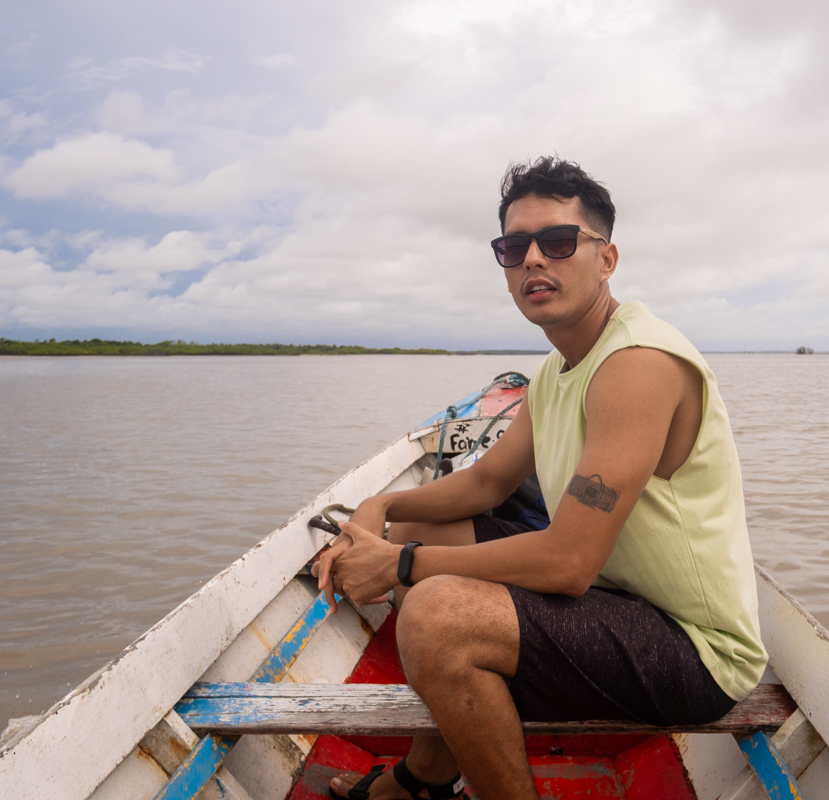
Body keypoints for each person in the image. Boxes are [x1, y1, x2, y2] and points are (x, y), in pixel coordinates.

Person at [315, 157, 766, 800]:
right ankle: (429, 777)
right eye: (513, 247)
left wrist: (399, 563)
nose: (532, 259)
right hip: (616, 601)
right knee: (422, 531)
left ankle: (444, 772)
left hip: (693, 650)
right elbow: (486, 484)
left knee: (435, 614)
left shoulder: (638, 363)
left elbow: (569, 562)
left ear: (606, 259)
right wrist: (381, 507)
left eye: (557, 241)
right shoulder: (556, 372)